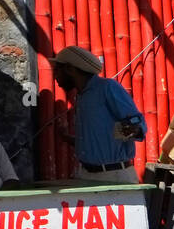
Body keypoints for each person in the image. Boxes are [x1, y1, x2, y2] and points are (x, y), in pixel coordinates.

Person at [52, 45, 146, 184]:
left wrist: (135, 129)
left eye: (57, 71)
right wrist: (68, 139)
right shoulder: (82, 96)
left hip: (114, 176)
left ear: (70, 69)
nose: (55, 76)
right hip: (86, 176)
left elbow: (137, 122)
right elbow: (100, 141)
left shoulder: (107, 88)